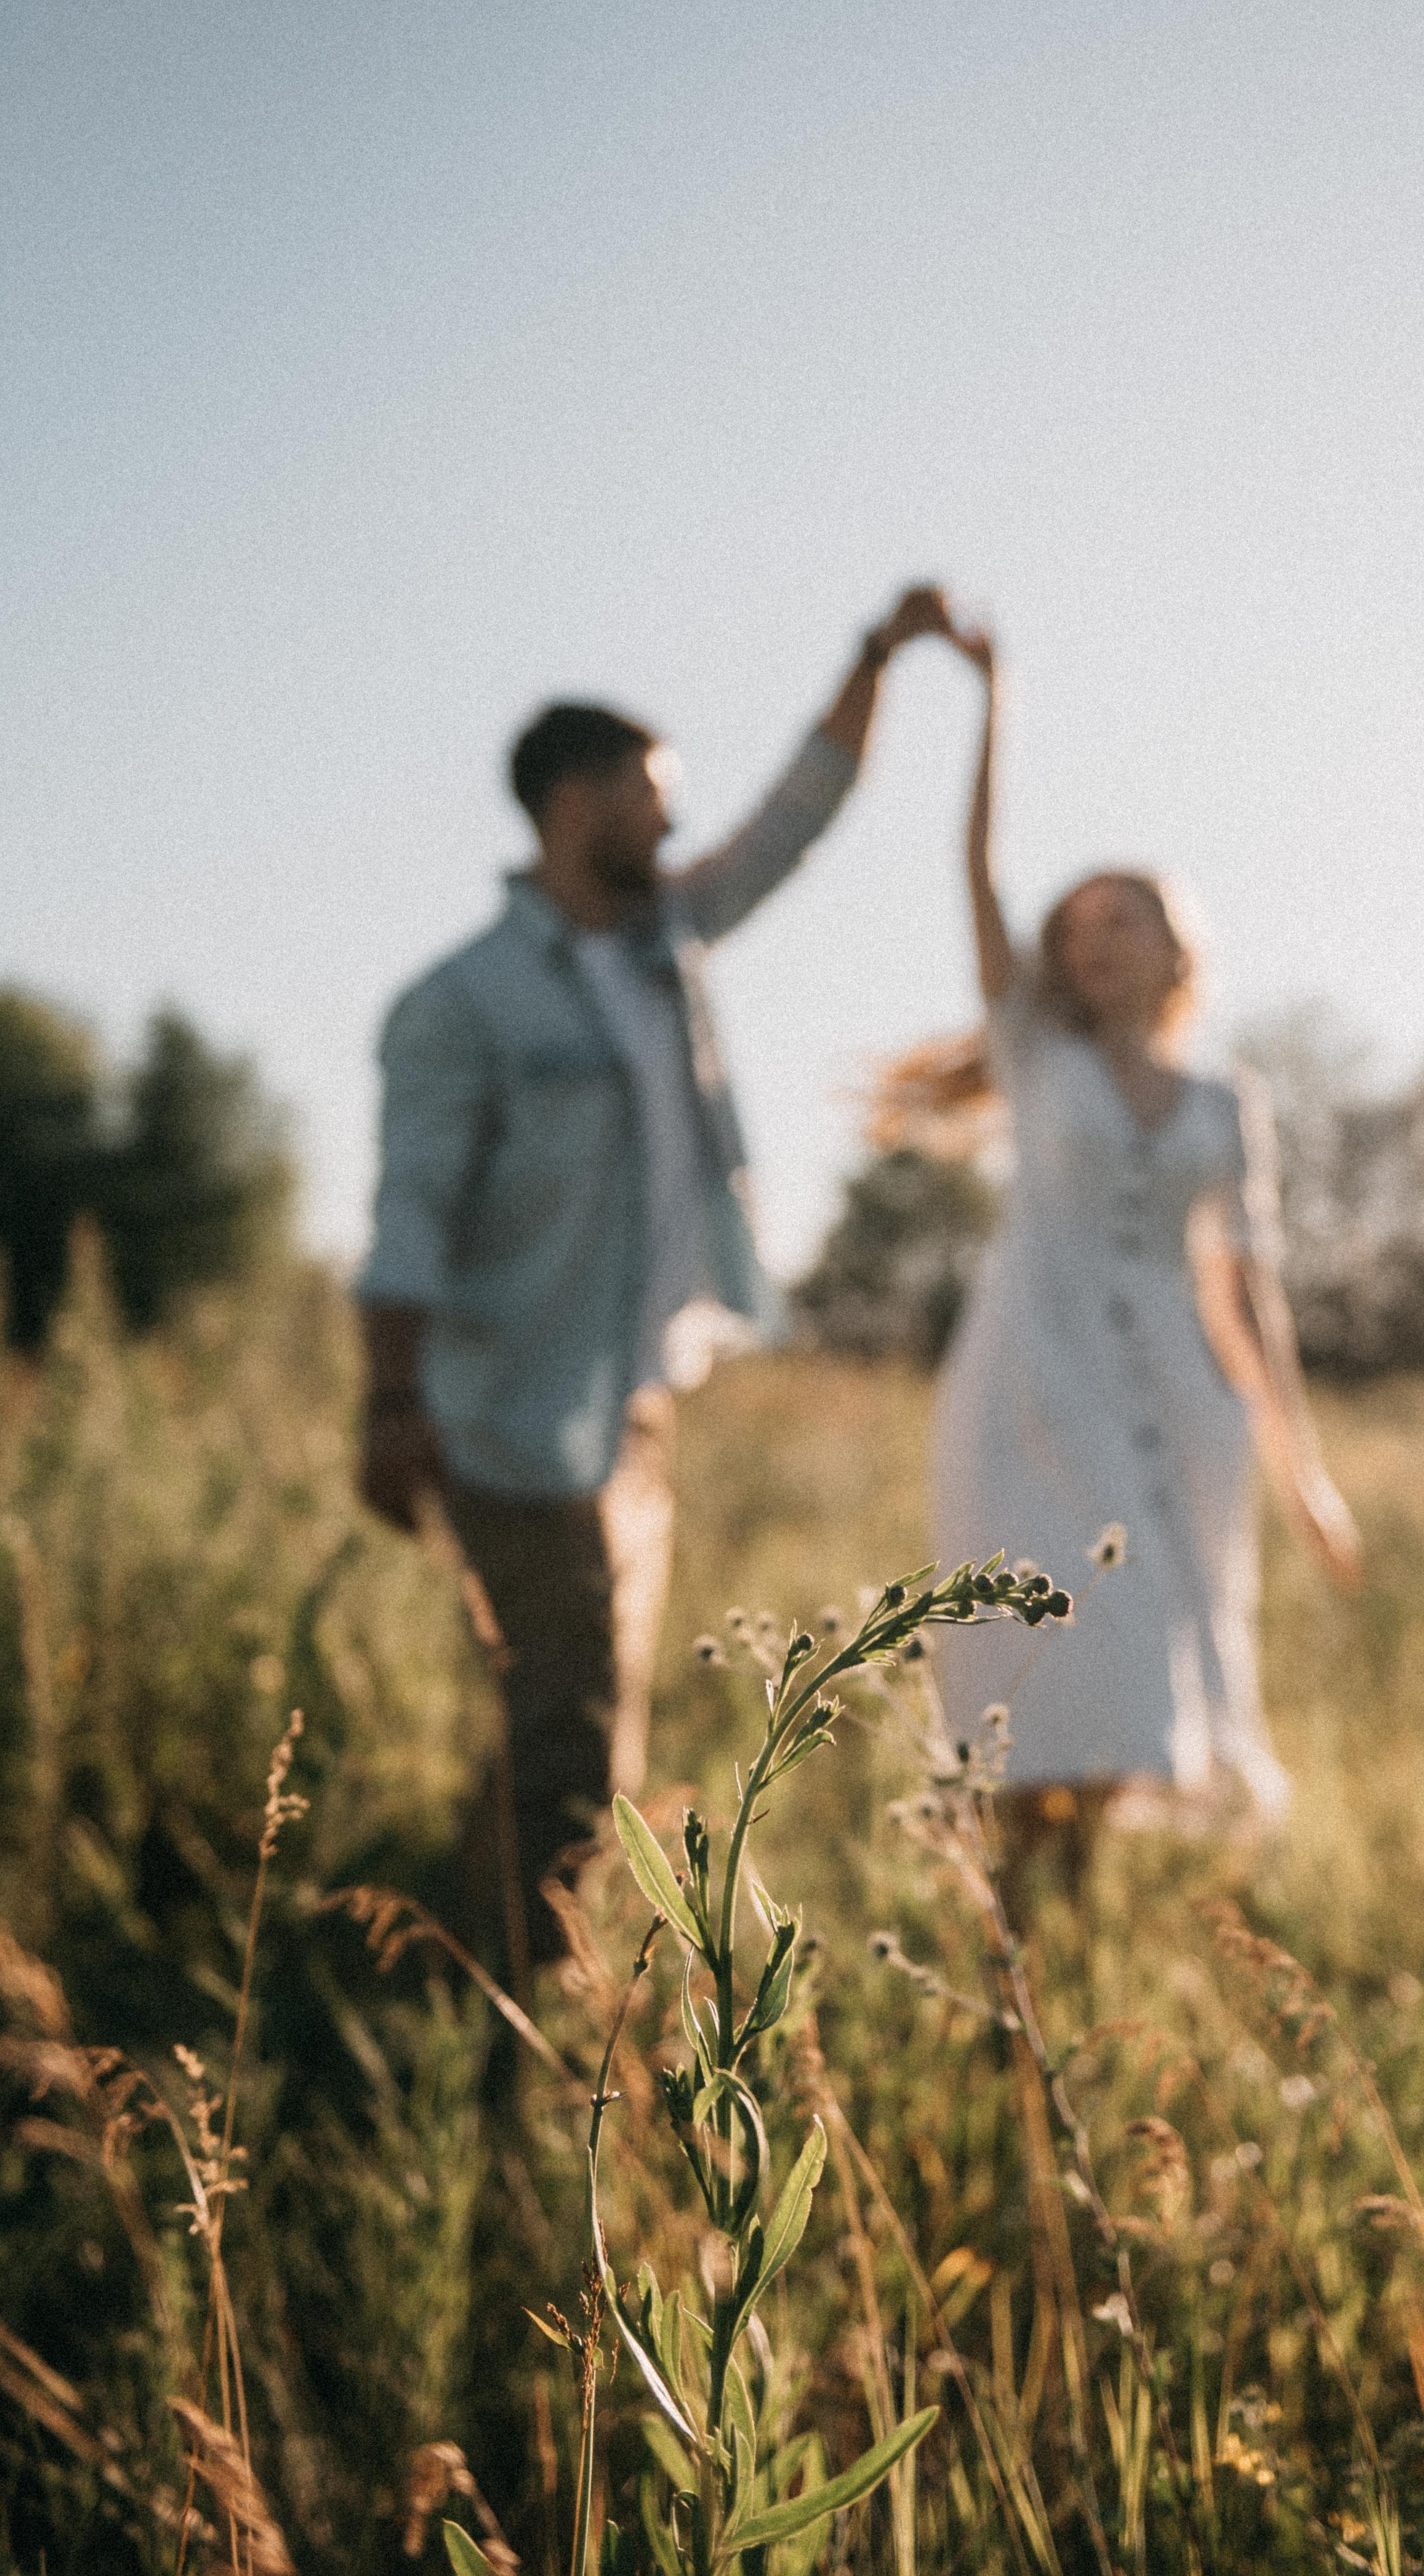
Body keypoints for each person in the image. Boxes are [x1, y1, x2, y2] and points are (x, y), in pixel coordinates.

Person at [356, 585, 957, 1964]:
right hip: (503, 1410)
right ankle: (522, 2003)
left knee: (584, 1708)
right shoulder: (463, 1003)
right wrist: (392, 1405)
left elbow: (796, 821)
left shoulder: (664, 947)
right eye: (651, 792)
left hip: (632, 1403)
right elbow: (407, 1217)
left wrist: (874, 656)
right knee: (571, 1719)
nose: (675, 822)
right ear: (576, 797)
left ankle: (447, 1950)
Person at [885, 632, 1360, 1901]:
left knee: (1151, 1643)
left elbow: (1250, 1294)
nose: (1092, 943)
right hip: (1033, 1377)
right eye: (1076, 927)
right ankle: (1025, 1900)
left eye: (1120, 920)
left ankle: (1064, 1897)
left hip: (1176, 1401)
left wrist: (1301, 1469)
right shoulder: (1039, 1054)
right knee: (1046, 1632)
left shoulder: (1228, 1099)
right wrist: (996, 701)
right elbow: (977, 873)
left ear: (1175, 945)